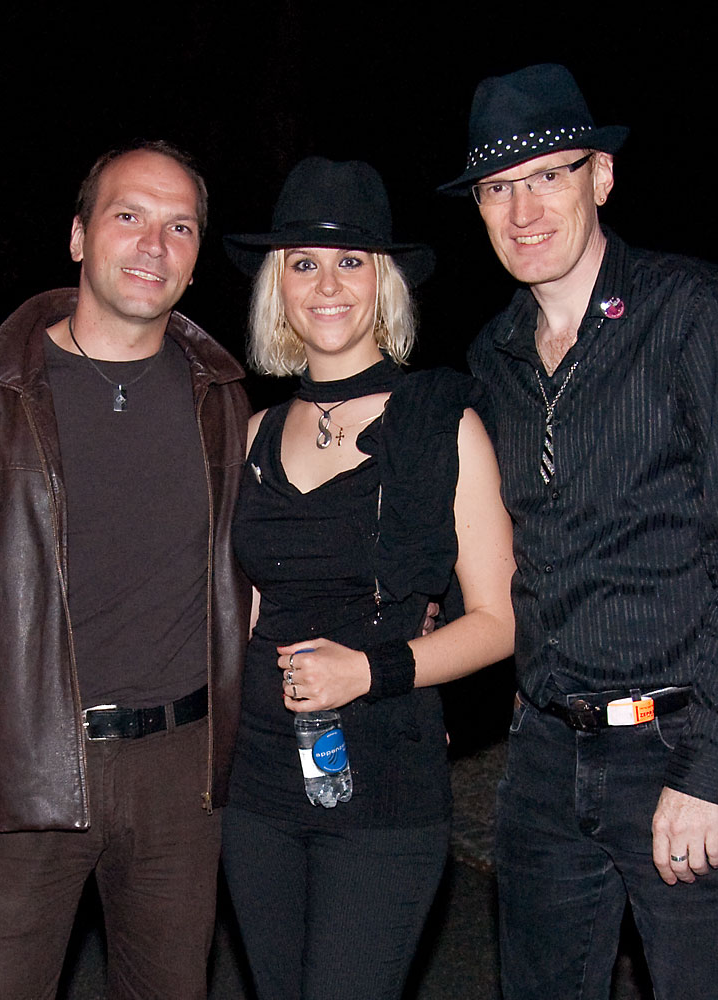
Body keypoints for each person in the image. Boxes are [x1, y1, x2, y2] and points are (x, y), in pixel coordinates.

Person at [440, 64, 718, 1000]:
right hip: (543, 754)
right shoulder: (491, 355)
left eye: (547, 176)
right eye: (497, 188)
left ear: (600, 176)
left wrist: (706, 772)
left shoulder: (693, 311)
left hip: (676, 743)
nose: (522, 210)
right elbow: (508, 553)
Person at [0, 140, 249, 1000]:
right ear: (79, 236)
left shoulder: (222, 398)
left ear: (197, 258)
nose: (154, 244)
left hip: (181, 778)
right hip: (20, 776)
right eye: (129, 216)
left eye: (180, 227)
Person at [219, 156, 515, 1000]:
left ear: (382, 283)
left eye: (350, 261)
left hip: (383, 779)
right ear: (276, 287)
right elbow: (238, 607)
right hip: (258, 785)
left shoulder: (439, 424)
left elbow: (501, 619)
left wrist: (368, 670)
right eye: (303, 263)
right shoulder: (251, 430)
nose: (326, 284)